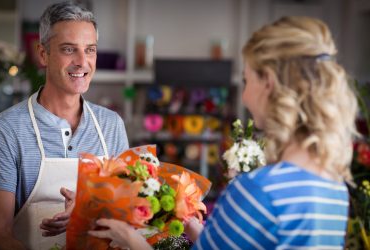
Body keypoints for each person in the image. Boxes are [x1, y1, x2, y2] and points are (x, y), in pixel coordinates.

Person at [87, 16, 358, 249]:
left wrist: (133, 242)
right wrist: (203, 235)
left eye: (246, 80)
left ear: (269, 84)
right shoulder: (333, 186)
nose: (246, 95)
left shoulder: (258, 190)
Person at [0, 1, 129, 249]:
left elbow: (125, 216)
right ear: (43, 54)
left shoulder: (111, 126)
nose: (82, 61)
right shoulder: (5, 130)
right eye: (69, 49)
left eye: (90, 50)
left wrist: (85, 213)